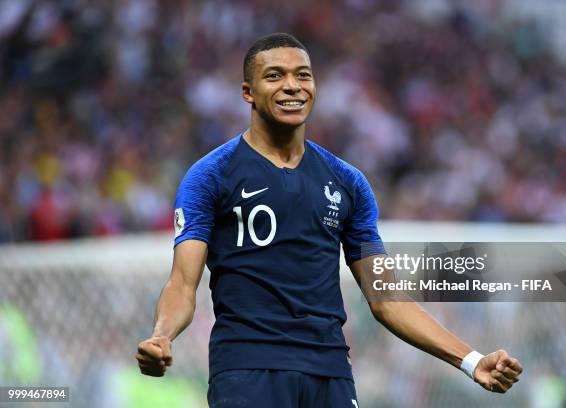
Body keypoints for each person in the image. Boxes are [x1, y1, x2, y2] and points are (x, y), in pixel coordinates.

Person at [135, 33, 523, 407]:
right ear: (247, 93)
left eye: (302, 74)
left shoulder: (348, 183)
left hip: (331, 371)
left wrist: (471, 361)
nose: (292, 86)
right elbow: (183, 283)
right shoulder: (211, 176)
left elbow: (386, 299)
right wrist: (161, 336)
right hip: (248, 369)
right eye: (274, 76)